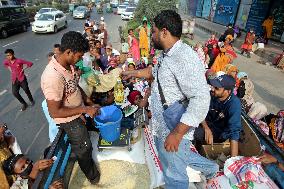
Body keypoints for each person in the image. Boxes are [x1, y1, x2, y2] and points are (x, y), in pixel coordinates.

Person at [122, 10, 218, 188]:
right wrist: (133, 73)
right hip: (163, 127)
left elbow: (201, 99)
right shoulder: (167, 54)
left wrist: (177, 134)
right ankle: (212, 168)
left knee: (174, 176)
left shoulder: (184, 58)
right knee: (181, 156)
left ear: (164, 32)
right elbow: (155, 73)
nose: (151, 36)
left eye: (154, 32)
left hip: (173, 130)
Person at [40, 31, 100, 184]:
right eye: (79, 56)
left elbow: (74, 87)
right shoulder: (52, 77)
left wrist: (88, 102)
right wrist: (84, 110)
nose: (80, 60)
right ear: (68, 52)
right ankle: (93, 177)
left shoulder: (68, 65)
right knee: (84, 148)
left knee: (87, 140)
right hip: (69, 121)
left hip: (78, 112)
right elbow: (55, 111)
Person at [194, 74, 242, 157]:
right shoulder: (212, 95)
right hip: (206, 124)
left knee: (194, 133)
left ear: (228, 91)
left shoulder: (234, 104)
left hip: (219, 133)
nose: (212, 89)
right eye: (213, 86)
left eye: (217, 88)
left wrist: (233, 160)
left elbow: (234, 132)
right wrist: (206, 128)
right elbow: (199, 110)